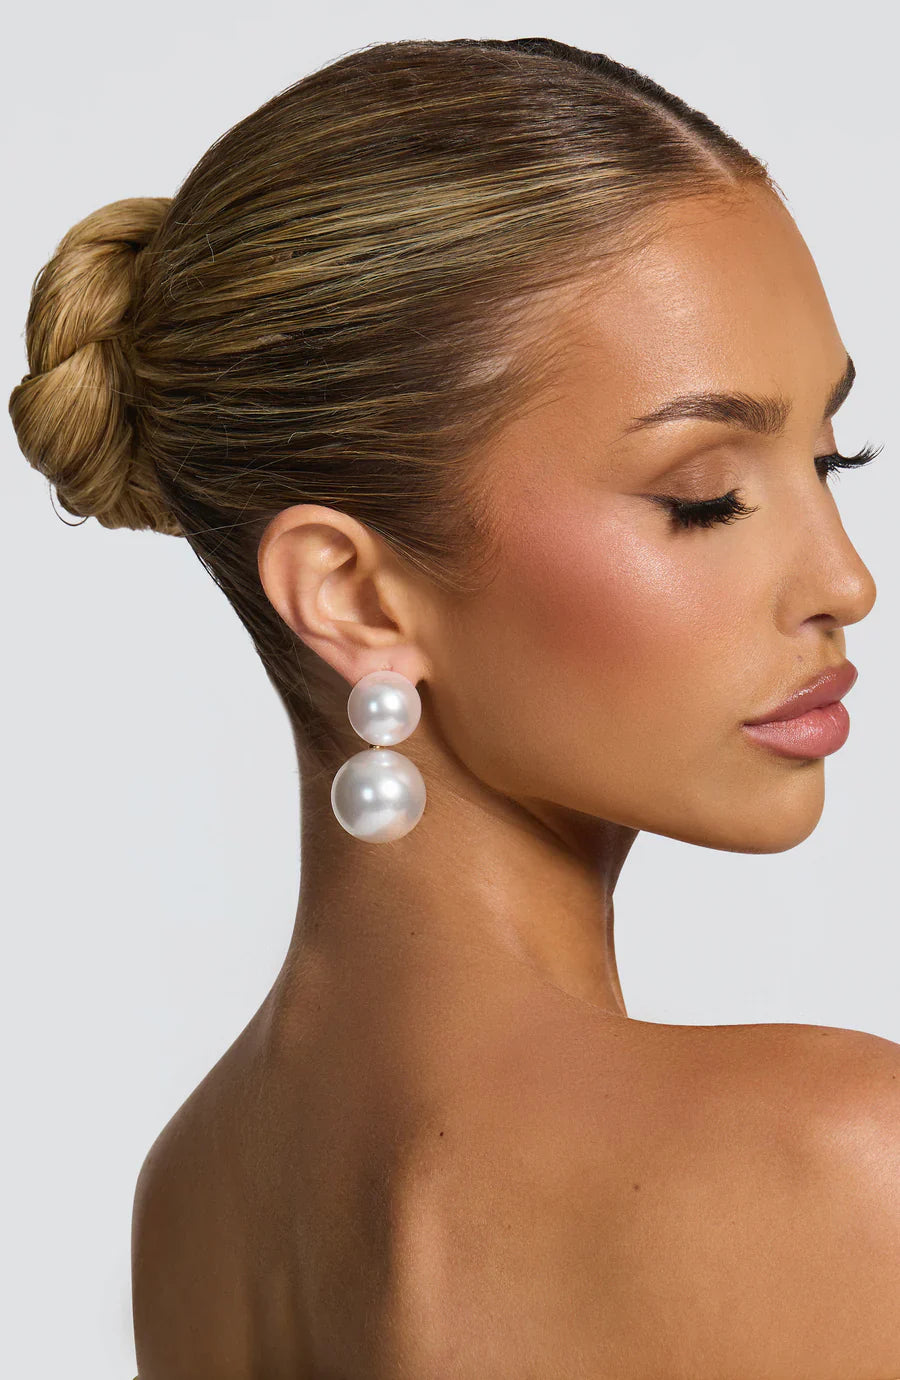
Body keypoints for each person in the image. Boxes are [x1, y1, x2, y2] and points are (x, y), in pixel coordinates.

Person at [10, 34, 900, 1379]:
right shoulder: (830, 1165)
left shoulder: (190, 1202)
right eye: (705, 497)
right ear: (355, 594)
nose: (846, 581)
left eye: (834, 460)